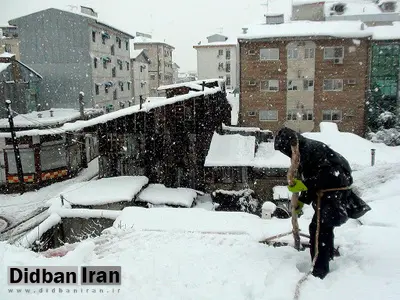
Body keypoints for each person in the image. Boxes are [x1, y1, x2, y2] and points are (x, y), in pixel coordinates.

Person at [274, 127, 371, 279]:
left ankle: (320, 269)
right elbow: (314, 178)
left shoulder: (307, 150)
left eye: (284, 149)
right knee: (324, 226)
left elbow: (322, 177)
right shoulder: (304, 149)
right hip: (332, 188)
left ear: (288, 144)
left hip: (332, 190)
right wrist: (303, 194)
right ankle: (327, 256)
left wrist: (304, 192)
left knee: (319, 228)